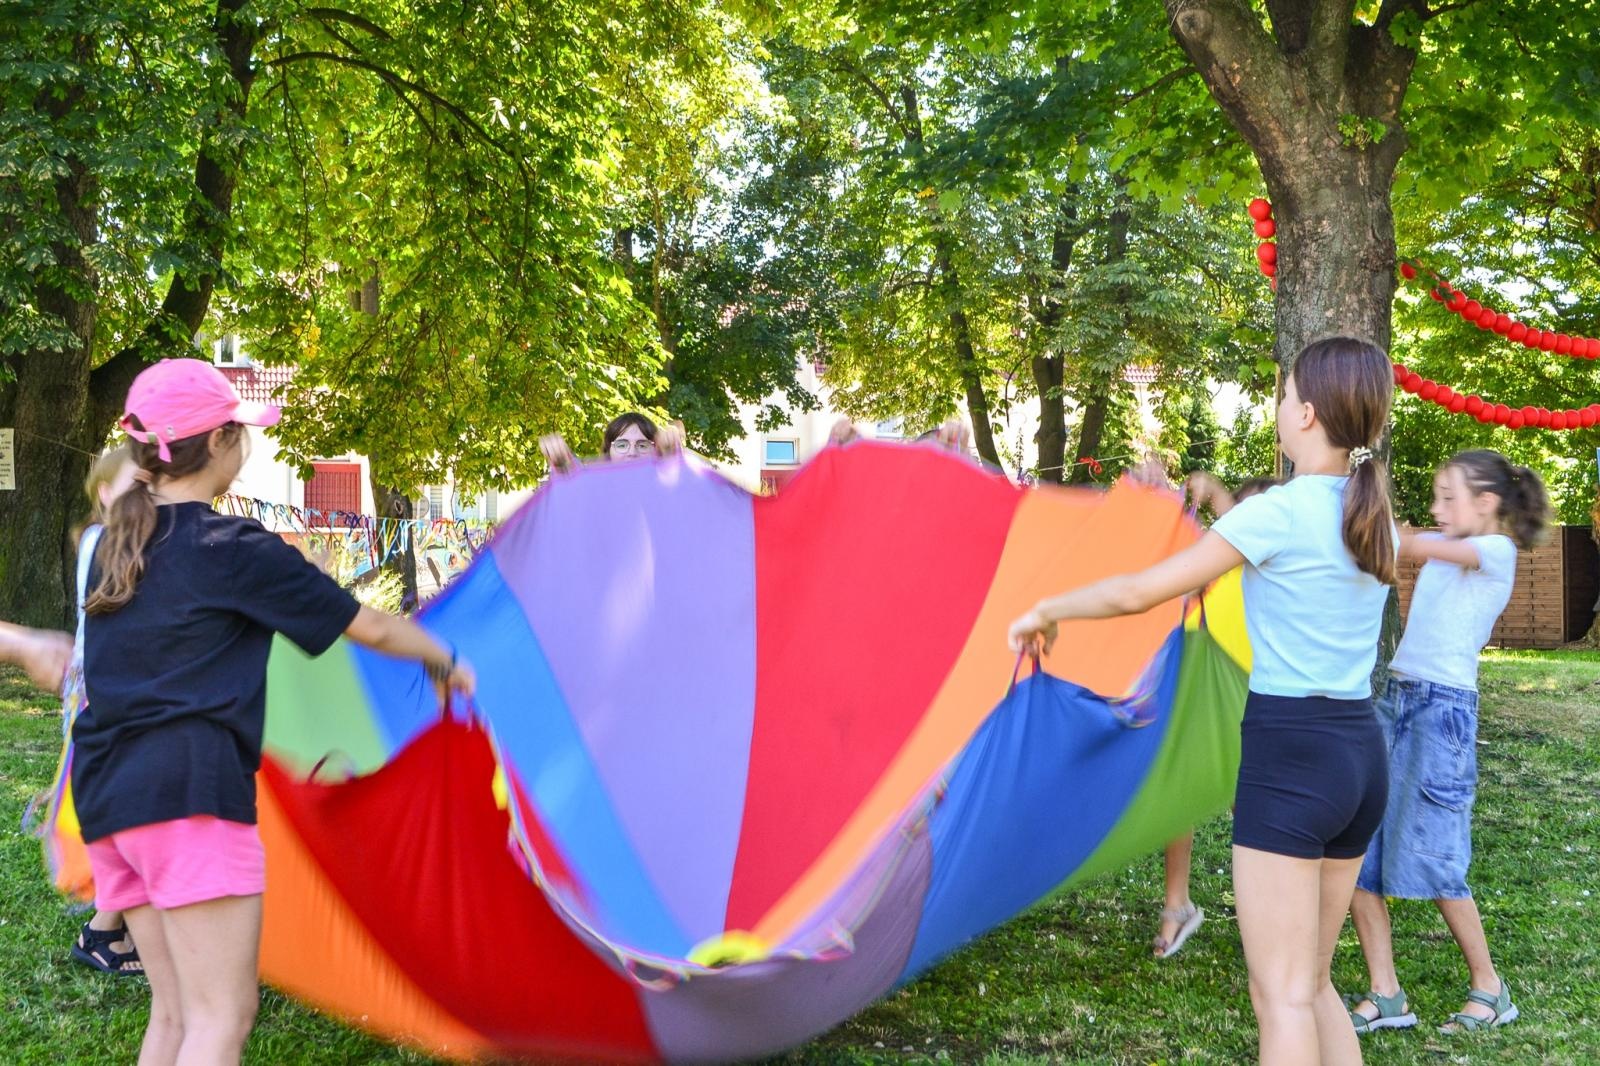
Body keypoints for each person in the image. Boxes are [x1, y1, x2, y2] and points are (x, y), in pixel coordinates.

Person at [76, 358, 475, 1066]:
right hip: (189, 797)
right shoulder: (232, 548)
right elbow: (373, 628)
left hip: (109, 798)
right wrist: (442, 659)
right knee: (220, 1019)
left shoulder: (116, 542)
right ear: (224, 442)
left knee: (174, 1014)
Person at [1009, 336, 1396, 1066]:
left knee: (1279, 998)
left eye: (1284, 397)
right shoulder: (1373, 519)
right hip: (1358, 753)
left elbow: (1138, 591)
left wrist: (1047, 609)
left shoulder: (1280, 513)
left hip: (1293, 758)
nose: (1279, 408)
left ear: (1307, 414)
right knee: (1312, 985)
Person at [1344, 450, 1549, 1035]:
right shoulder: (1451, 547)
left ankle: (1489, 986)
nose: (1436, 509)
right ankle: (1386, 994)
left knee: (1438, 859)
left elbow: (1417, 545)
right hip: (1400, 700)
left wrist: (1369, 504)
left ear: (1486, 504)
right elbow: (1405, 551)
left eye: (1447, 497)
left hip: (1443, 713)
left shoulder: (1496, 551)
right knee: (1356, 849)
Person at [1149, 473, 1281, 960]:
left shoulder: (1269, 564)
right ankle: (1176, 904)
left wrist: (1221, 495)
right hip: (1201, 701)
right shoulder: (1215, 567)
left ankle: (1273, 918)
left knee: (1254, 817)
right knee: (1178, 798)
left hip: (1255, 707)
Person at [66, 446, 145, 976]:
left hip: (104, 691)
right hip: (101, 693)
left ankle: (116, 922)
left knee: (129, 805)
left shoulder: (111, 539)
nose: (147, 496)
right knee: (129, 807)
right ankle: (104, 927)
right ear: (103, 494)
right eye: (135, 485)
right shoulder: (105, 542)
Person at [539, 411, 685, 472]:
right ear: (609, 451)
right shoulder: (597, 489)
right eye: (622, 445)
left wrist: (671, 459)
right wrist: (564, 468)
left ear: (655, 450)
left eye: (642, 445)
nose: (632, 453)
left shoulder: (665, 488)